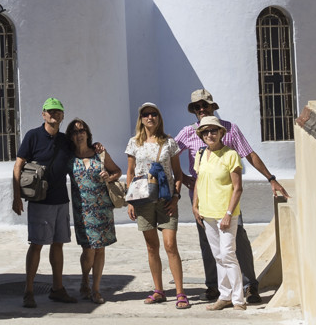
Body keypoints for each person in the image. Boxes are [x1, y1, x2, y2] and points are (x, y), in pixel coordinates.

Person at [174, 88, 290, 303]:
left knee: (239, 239)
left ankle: (249, 285)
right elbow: (169, 154)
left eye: (205, 105)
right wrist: (182, 177)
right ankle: (214, 286)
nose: (201, 109)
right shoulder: (188, 132)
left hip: (228, 196)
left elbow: (249, 154)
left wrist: (271, 178)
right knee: (208, 242)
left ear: (212, 106)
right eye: (197, 107)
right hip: (201, 197)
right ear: (193, 110)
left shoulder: (230, 129)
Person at [12, 97, 78, 307]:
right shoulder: (33, 136)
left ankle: (57, 289)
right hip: (40, 202)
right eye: (50, 111)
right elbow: (18, 165)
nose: (54, 115)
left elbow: (82, 153)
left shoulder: (65, 140)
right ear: (43, 114)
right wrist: (16, 197)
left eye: (57, 112)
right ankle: (28, 291)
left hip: (61, 200)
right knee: (37, 245)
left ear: (62, 115)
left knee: (58, 245)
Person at [124, 101, 190, 309]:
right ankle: (159, 290)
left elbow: (178, 173)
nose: (150, 117)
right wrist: (130, 201)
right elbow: (130, 173)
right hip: (142, 201)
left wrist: (176, 197)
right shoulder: (134, 143)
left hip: (166, 200)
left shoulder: (169, 142)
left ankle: (180, 292)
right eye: (146, 114)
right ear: (141, 119)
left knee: (170, 245)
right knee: (152, 247)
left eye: (153, 114)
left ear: (159, 118)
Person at [65, 117, 122, 304]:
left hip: (102, 208)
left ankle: (95, 289)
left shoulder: (99, 153)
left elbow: (117, 171)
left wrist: (109, 177)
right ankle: (84, 279)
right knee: (88, 250)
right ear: (70, 136)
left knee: (100, 250)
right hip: (82, 211)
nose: (79, 134)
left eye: (82, 131)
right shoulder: (69, 158)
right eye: (75, 132)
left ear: (88, 134)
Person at [192, 116, 246, 311]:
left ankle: (239, 299)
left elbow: (238, 188)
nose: (210, 135)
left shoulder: (231, 155)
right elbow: (199, 180)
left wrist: (228, 213)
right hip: (207, 213)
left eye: (213, 131)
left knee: (228, 254)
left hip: (225, 213)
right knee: (217, 256)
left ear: (221, 133)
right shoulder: (200, 154)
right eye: (206, 132)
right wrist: (195, 205)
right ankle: (225, 296)